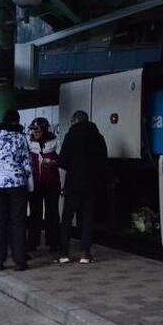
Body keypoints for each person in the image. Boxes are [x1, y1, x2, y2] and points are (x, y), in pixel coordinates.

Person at [56, 110, 108, 264]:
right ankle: (85, 254)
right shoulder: (98, 137)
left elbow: (62, 161)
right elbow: (104, 161)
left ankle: (63, 254)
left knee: (67, 218)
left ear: (75, 121)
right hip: (92, 185)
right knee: (88, 219)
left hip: (73, 184)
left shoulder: (70, 136)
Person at [0, 109, 33, 271]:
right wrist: (30, 185)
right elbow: (27, 163)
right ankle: (19, 261)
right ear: (16, 121)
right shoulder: (20, 137)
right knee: (18, 222)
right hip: (18, 184)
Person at [27, 117, 60, 253]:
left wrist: (53, 162)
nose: (35, 132)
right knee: (34, 213)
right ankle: (32, 242)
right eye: (33, 130)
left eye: (38, 130)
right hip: (35, 183)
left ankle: (53, 242)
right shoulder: (28, 143)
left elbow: (62, 159)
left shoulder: (55, 142)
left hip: (51, 183)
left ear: (45, 130)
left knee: (52, 212)